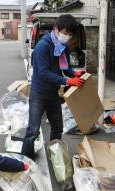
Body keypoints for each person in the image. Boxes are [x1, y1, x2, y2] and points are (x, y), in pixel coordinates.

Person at [21, 14, 84, 160]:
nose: (67, 36)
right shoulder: (43, 46)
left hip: (53, 94)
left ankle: (55, 155)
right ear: (56, 29)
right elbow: (43, 73)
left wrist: (75, 74)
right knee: (33, 130)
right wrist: (68, 82)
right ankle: (25, 159)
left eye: (70, 34)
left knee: (57, 128)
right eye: (65, 33)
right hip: (39, 93)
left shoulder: (63, 47)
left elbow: (65, 68)